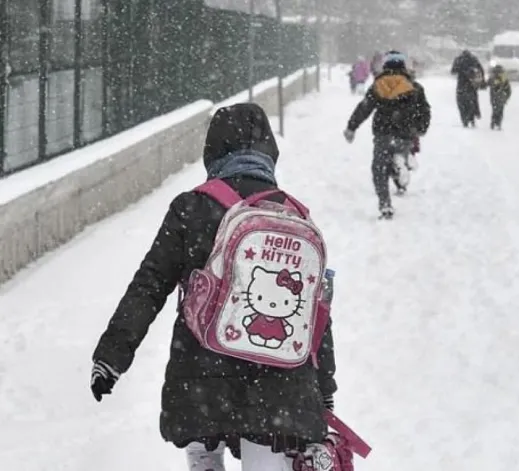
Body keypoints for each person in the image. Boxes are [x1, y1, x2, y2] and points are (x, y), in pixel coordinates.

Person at [89, 103, 338, 470]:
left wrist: (111, 355)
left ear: (213, 151)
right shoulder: (294, 216)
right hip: (279, 387)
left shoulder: (191, 208)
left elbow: (150, 284)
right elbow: (314, 314)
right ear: (269, 152)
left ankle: (205, 457)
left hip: (201, 377)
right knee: (268, 455)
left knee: (204, 446)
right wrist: (324, 390)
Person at [343, 50, 432, 219]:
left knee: (379, 169)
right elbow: (424, 111)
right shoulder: (415, 87)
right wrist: (421, 128)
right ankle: (402, 164)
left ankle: (385, 205)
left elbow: (364, 108)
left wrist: (351, 127)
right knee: (400, 153)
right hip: (405, 134)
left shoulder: (378, 85)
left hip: (383, 133)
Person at [451, 49, 485, 127]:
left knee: (461, 103)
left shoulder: (459, 60)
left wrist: (461, 70)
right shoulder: (474, 59)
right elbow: (481, 70)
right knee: (472, 101)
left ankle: (465, 119)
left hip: (461, 85)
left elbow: (453, 71)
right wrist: (482, 81)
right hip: (471, 85)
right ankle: (472, 117)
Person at [487, 65, 512, 130]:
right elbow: (508, 89)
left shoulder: (492, 78)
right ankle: (498, 123)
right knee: (500, 110)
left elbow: (486, 84)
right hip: (501, 97)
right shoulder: (504, 78)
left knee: (495, 110)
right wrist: (507, 97)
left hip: (494, 97)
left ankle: (494, 122)